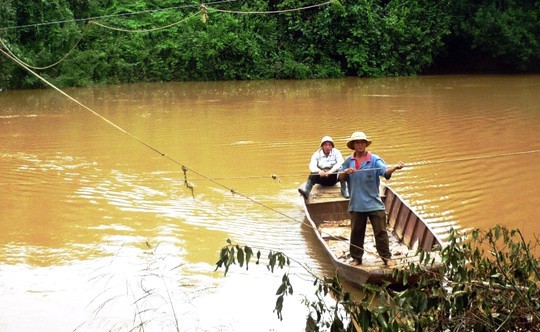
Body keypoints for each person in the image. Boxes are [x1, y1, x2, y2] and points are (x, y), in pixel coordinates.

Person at [338, 131, 404, 267]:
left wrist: (395, 168)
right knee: (356, 233)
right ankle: (356, 258)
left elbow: (385, 172)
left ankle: (386, 258)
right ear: (353, 145)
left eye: (362, 142)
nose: (360, 144)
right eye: (357, 142)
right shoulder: (348, 161)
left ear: (366, 144)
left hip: (374, 203)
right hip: (357, 204)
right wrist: (346, 172)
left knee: (381, 232)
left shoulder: (374, 159)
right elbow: (339, 177)